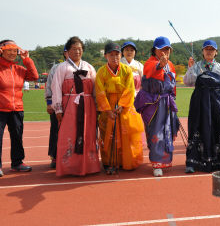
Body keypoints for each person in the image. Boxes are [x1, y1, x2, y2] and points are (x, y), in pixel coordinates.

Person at [183, 40, 220, 173]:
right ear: (202, 51)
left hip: (216, 103)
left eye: (212, 49)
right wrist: (190, 68)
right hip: (199, 103)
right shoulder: (196, 66)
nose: (209, 51)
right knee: (197, 128)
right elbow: (187, 82)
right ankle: (193, 162)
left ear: (216, 52)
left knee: (217, 129)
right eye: (206, 49)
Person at [51, 36, 100, 176]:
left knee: (88, 133)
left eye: (79, 49)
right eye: (74, 49)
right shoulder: (62, 68)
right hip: (69, 106)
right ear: (68, 51)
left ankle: (89, 166)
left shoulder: (89, 67)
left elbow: (96, 88)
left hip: (88, 106)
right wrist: (58, 108)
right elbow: (56, 88)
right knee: (69, 134)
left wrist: (97, 106)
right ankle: (69, 167)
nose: (77, 51)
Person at [134, 36, 179, 177]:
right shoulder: (150, 62)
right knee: (155, 133)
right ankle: (156, 163)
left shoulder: (170, 64)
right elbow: (150, 71)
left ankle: (164, 160)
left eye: (168, 49)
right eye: (162, 49)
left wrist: (174, 98)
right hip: (153, 103)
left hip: (167, 102)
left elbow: (173, 84)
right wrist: (160, 65)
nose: (165, 52)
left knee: (168, 132)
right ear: (155, 50)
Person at [96, 42, 144, 173]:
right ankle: (109, 162)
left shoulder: (126, 70)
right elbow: (99, 92)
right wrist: (107, 109)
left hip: (125, 107)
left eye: (117, 54)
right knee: (108, 135)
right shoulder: (101, 72)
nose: (114, 57)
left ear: (120, 55)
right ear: (106, 56)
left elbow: (130, 88)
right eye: (111, 55)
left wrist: (122, 105)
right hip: (108, 108)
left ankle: (125, 161)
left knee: (126, 134)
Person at [0, 40, 39, 177]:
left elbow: (34, 76)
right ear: (1, 51)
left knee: (17, 136)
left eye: (15, 50)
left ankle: (17, 163)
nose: (12, 53)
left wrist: (26, 60)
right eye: (9, 50)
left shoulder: (19, 69)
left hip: (16, 108)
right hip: (1, 109)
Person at [44, 48, 68, 169]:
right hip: (57, 103)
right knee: (55, 130)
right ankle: (54, 156)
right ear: (65, 53)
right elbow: (49, 86)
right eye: (70, 50)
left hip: (73, 104)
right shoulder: (56, 67)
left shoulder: (82, 66)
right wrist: (49, 102)